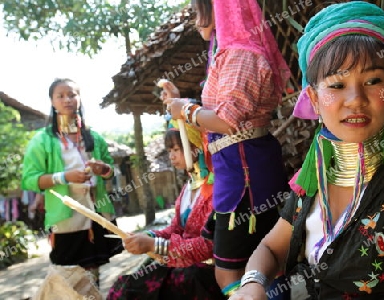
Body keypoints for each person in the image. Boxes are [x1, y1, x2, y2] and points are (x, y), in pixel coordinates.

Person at [229, 2, 384, 300]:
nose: (355, 100)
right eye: (337, 84)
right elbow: (270, 247)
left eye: (373, 81)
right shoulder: (311, 183)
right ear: (314, 99)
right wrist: (252, 283)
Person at [161, 0, 292, 297]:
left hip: (246, 182)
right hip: (241, 174)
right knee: (262, 264)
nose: (196, 21)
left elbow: (226, 120)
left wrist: (187, 109)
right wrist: (180, 104)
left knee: (232, 271)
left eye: (198, 11)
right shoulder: (230, 53)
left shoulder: (240, 54)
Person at [21, 78, 122, 289]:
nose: (67, 99)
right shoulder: (43, 141)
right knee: (69, 281)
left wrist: (102, 169)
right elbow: (29, 180)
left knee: (93, 278)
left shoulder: (93, 138)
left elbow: (110, 171)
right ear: (52, 101)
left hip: (96, 215)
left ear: (79, 98)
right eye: (61, 95)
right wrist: (65, 177)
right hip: (65, 223)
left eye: (72, 94)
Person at [107, 120, 224, 300]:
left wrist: (156, 246)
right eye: (169, 151)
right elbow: (175, 230)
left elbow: (209, 245)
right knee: (124, 285)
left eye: (176, 149)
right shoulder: (188, 187)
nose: (171, 156)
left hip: (205, 270)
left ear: (196, 146)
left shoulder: (216, 188)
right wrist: (149, 237)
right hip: (182, 262)